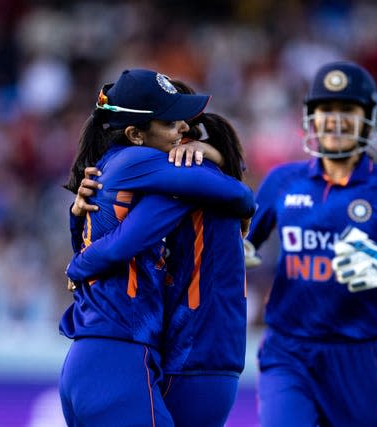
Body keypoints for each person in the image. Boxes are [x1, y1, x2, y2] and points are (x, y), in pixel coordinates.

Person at [244, 60, 377, 426]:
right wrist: (236, 249)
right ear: (310, 118)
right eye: (326, 110)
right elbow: (240, 244)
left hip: (356, 354)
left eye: (348, 110)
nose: (336, 121)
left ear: (369, 119)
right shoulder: (282, 181)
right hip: (287, 349)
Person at [58, 69, 255, 426]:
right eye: (169, 121)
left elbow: (99, 236)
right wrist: (214, 156)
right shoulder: (151, 166)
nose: (180, 128)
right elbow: (241, 195)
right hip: (125, 355)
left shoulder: (115, 169)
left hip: (100, 354)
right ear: (135, 134)